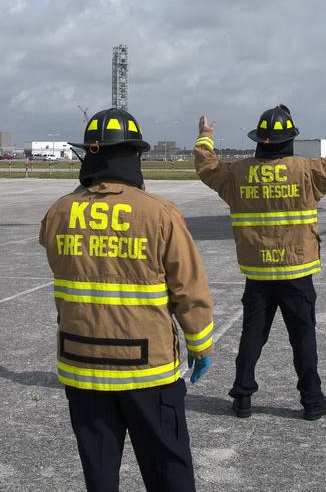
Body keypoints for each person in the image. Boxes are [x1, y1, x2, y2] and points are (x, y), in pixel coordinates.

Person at [40, 107, 215, 492]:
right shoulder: (160, 214)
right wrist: (200, 345)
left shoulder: (59, 212)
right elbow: (189, 289)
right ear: (135, 156)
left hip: (82, 366)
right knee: (168, 467)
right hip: (146, 369)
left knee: (99, 475)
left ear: (89, 155)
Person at [193, 102, 326, 421]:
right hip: (297, 272)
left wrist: (205, 137)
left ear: (259, 139)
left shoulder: (236, 175)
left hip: (257, 274)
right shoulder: (307, 172)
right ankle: (312, 400)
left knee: (252, 335)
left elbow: (206, 167)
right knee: (303, 337)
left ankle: (242, 396)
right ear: (290, 140)